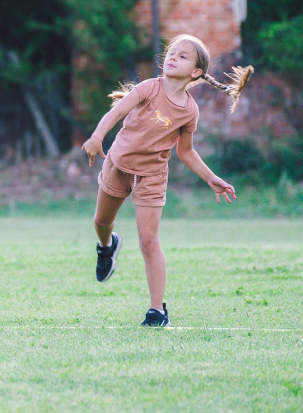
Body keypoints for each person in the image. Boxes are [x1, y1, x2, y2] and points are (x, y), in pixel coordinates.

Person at [81, 34, 253, 327]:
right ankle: (107, 246)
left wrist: (211, 178)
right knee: (100, 222)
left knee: (148, 241)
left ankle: (157, 311)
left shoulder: (189, 111)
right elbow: (117, 112)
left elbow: (186, 152)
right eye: (171, 53)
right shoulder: (149, 87)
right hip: (118, 165)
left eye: (182, 56)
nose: (172, 57)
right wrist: (97, 137)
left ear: (196, 72)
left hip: (152, 176)